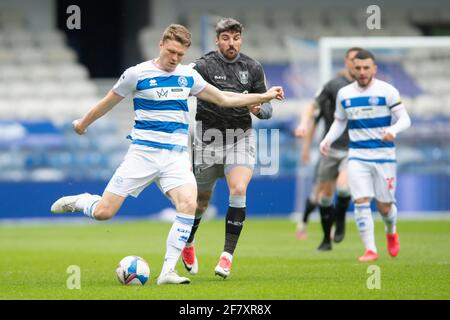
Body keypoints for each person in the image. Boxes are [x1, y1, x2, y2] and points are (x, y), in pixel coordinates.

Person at [50, 24, 284, 284]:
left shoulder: (188, 77)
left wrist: (264, 95)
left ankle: (167, 271)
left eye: (180, 55)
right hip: (142, 155)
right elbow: (107, 102)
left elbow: (224, 99)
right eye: (171, 52)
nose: (174, 59)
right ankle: (82, 201)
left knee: (188, 204)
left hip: (175, 157)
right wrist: (82, 123)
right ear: (161, 45)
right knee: (105, 212)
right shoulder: (136, 74)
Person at [179, 18, 273, 279]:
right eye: (225, 38)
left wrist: (259, 108)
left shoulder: (253, 67)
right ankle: (188, 242)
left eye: (235, 38)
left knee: (239, 188)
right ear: (217, 40)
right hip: (206, 139)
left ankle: (227, 256)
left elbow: (267, 107)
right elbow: (181, 85)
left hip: (239, 137)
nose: (231, 43)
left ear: (240, 39)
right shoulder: (203, 65)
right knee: (199, 202)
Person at [320, 49, 411, 261]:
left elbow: (405, 119)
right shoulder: (345, 94)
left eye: (366, 68)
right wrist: (327, 139)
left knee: (384, 206)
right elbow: (340, 121)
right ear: (352, 68)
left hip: (384, 156)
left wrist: (393, 131)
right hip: (357, 155)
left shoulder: (387, 91)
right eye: (358, 68)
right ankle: (370, 249)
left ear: (374, 69)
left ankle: (391, 231)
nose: (362, 72)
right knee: (360, 200)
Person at [295, 47, 362, 250]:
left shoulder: (368, 87)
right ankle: (325, 237)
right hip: (329, 148)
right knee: (323, 195)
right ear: (346, 62)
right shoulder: (333, 87)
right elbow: (313, 110)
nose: (357, 65)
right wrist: (304, 127)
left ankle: (339, 221)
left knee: (343, 188)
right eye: (353, 60)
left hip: (353, 148)